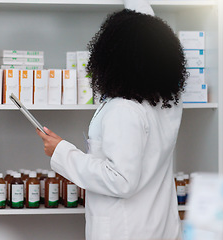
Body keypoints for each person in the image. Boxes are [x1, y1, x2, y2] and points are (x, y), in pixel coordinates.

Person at [36, 2, 187, 240]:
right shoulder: (166, 104)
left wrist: (62, 152)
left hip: (127, 231)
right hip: (159, 226)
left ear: (111, 56)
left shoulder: (124, 108)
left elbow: (121, 180)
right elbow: (147, 38)